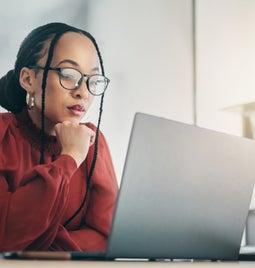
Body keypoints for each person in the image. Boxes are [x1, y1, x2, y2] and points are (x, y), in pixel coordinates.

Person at [0, 22, 118, 251]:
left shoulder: (94, 143)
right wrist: (71, 157)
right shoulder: (3, 136)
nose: (82, 92)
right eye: (68, 75)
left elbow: (107, 238)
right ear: (28, 80)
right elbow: (5, 237)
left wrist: (38, 246)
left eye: (92, 80)